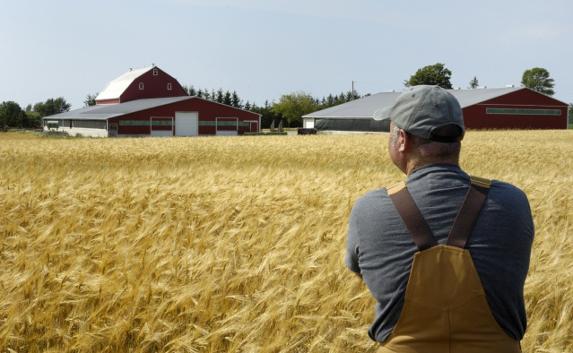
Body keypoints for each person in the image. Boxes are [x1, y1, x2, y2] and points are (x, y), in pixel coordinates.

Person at [345, 85, 534, 352]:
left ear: (401, 139)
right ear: (458, 136)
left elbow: (359, 270)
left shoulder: (369, 209)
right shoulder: (513, 202)